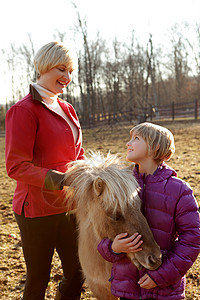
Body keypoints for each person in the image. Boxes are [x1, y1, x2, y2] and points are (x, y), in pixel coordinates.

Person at [5, 41, 84, 300]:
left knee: (78, 272)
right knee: (39, 278)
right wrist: (61, 180)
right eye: (62, 69)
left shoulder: (67, 108)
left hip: (70, 205)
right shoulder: (23, 110)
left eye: (71, 71)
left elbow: (77, 154)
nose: (68, 77)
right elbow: (16, 166)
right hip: (36, 210)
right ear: (44, 67)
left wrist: (87, 174)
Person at [97, 122, 200, 300]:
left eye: (136, 138)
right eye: (130, 138)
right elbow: (102, 230)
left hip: (164, 289)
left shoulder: (179, 189)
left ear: (155, 147)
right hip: (127, 287)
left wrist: (161, 276)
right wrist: (113, 248)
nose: (128, 143)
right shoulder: (118, 187)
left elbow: (192, 238)